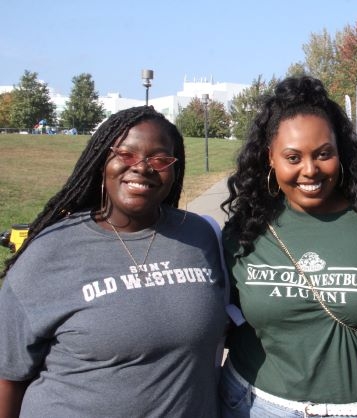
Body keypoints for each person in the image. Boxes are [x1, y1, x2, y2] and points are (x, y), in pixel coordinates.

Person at [219, 75, 357, 417]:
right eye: (293, 157)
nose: (310, 170)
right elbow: (221, 314)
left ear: (341, 152)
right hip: (256, 405)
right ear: (269, 158)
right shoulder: (247, 228)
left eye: (323, 154)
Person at [0, 106, 227, 417]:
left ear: (174, 170)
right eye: (127, 154)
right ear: (101, 160)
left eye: (160, 160)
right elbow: (8, 375)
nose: (143, 168)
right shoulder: (50, 251)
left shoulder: (199, 236)